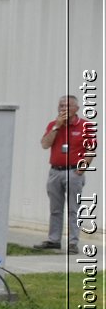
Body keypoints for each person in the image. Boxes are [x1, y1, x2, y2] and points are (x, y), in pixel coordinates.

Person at [40, 95, 94, 252]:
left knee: (73, 209)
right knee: (55, 209)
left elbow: (90, 150)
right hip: (55, 171)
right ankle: (54, 240)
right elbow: (45, 144)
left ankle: (72, 242)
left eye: (68, 106)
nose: (63, 108)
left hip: (73, 171)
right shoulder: (53, 124)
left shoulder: (85, 126)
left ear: (76, 109)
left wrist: (83, 167)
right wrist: (57, 126)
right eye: (61, 105)